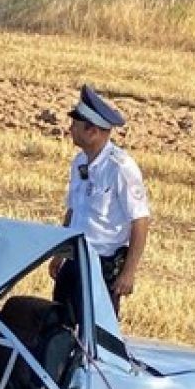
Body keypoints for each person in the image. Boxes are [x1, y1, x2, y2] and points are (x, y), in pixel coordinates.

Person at [49, 84, 150, 319]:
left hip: (102, 265)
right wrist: (60, 254)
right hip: (75, 259)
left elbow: (140, 221)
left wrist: (128, 273)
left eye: (75, 125)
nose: (70, 129)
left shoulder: (121, 167)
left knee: (96, 333)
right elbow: (73, 211)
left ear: (92, 131)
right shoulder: (79, 162)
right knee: (59, 327)